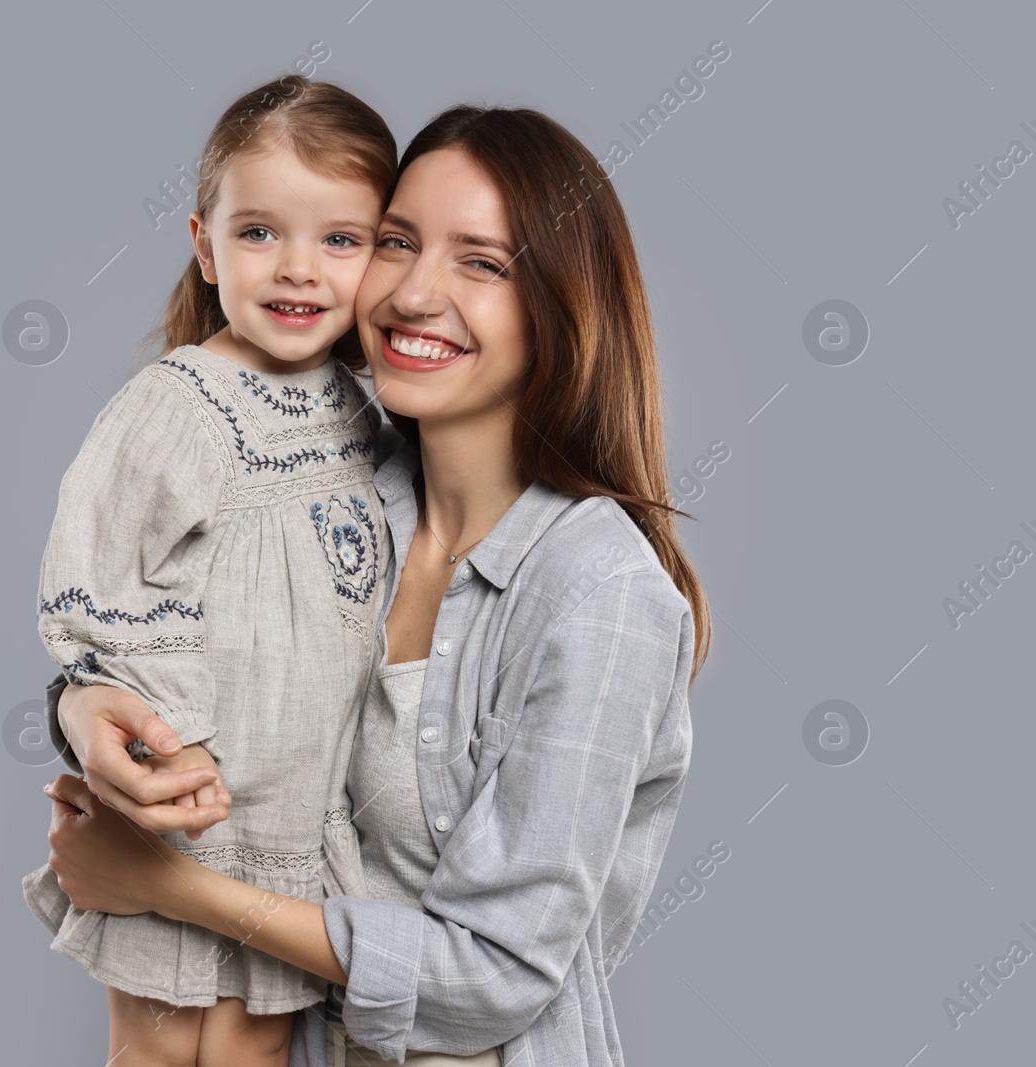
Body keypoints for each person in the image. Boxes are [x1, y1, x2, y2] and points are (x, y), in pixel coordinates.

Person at [39, 103, 713, 1066]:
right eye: (397, 243)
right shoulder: (326, 491)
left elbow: (493, 976)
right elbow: (159, 624)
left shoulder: (599, 595)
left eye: (481, 262)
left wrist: (169, 885)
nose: (413, 293)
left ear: (563, 305)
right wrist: (84, 706)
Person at [20, 75, 402, 1066]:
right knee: (155, 1048)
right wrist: (160, 736)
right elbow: (101, 580)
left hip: (298, 827)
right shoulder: (179, 405)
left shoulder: (364, 413)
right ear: (203, 242)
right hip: (187, 806)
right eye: (259, 233)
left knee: (254, 1049)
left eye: (340, 239)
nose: (298, 268)